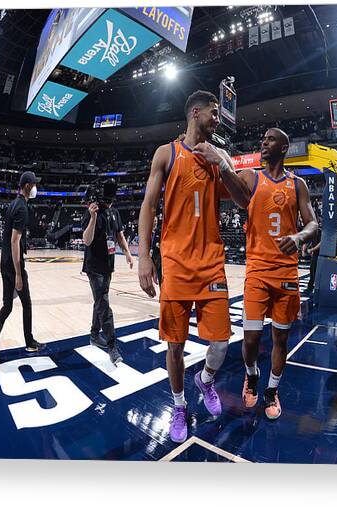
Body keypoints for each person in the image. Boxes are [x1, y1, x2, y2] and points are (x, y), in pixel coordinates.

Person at [137, 90, 250, 443]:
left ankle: (205, 380)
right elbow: (149, 206)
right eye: (214, 113)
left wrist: (223, 163)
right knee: (175, 345)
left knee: (219, 342)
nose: (218, 119)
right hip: (175, 263)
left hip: (211, 263)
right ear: (195, 112)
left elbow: (246, 201)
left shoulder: (219, 156)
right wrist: (143, 256)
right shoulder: (166, 154)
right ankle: (180, 405)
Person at [236, 128, 318, 419]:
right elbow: (228, 187)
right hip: (257, 269)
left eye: (270, 139)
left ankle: (271, 390)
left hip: (286, 271)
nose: (263, 142)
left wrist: (298, 237)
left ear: (284, 147)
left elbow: (313, 224)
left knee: (280, 339)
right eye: (263, 139)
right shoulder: (250, 177)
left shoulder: (298, 185)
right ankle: (251, 375)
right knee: (250, 339)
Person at [0, 171, 44, 362]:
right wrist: (19, 273)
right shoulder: (21, 208)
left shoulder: (13, 204)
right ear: (27, 186)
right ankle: (30, 342)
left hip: (3, 263)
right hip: (13, 265)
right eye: (34, 184)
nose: (36, 187)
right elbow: (14, 242)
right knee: (27, 304)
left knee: (7, 305)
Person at [81, 180, 134, 365]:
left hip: (108, 265)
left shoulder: (114, 212)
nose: (110, 203)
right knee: (103, 303)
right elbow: (86, 241)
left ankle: (94, 335)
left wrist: (127, 252)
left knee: (100, 301)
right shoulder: (91, 212)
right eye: (108, 200)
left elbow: (119, 234)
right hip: (94, 267)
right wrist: (93, 218)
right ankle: (112, 345)